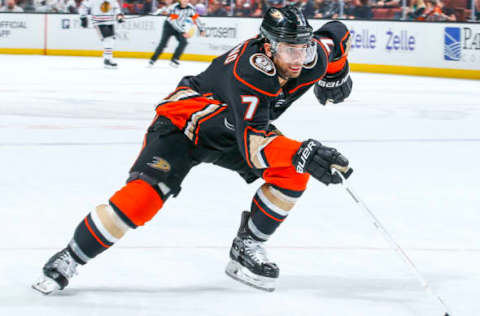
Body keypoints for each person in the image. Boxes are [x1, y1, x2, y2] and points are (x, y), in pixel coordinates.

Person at [32, 5, 353, 295]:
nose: (298, 58)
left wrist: (337, 75)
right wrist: (303, 151)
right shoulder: (251, 71)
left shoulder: (314, 55)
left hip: (232, 127)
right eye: (288, 50)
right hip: (184, 124)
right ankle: (70, 257)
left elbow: (337, 34)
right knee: (142, 198)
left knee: (292, 174)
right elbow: (255, 146)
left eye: (302, 47)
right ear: (268, 47)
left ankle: (248, 245)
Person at [149, 0, 206, 68]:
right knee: (163, 43)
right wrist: (183, 32)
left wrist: (201, 29)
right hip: (169, 26)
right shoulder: (174, 7)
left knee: (184, 42)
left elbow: (196, 18)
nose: (185, 1)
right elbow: (173, 22)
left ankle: (174, 59)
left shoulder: (190, 8)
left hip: (179, 27)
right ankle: (153, 59)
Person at [79, 0, 125, 69]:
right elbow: (83, 6)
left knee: (111, 40)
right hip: (99, 22)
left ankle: (108, 59)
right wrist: (83, 17)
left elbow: (116, 8)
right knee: (108, 40)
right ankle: (107, 60)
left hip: (110, 21)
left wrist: (119, 16)